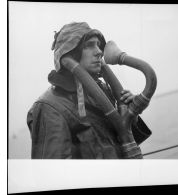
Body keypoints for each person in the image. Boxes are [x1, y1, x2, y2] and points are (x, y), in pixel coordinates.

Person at [27, 22, 152, 159]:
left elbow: (124, 142)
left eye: (98, 45)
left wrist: (130, 116)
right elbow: (53, 173)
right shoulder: (49, 107)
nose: (99, 51)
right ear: (71, 53)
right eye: (89, 45)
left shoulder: (102, 90)